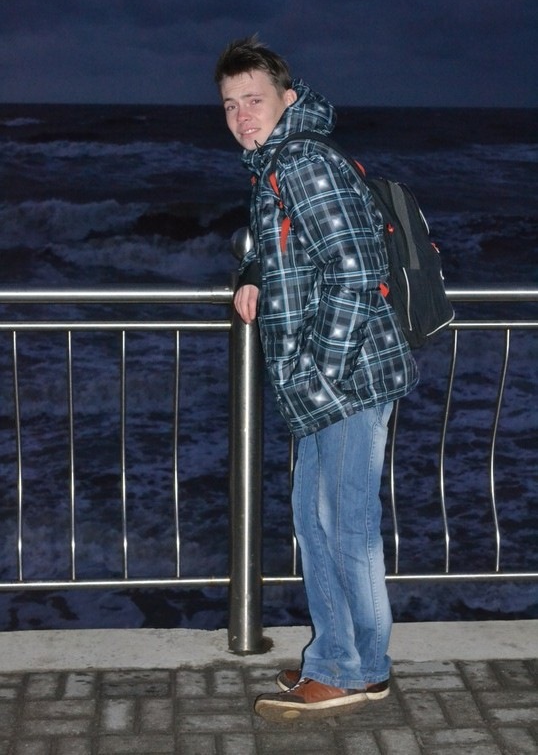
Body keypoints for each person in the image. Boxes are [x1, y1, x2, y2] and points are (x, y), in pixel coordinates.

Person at [215, 36, 419, 723]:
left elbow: (358, 272)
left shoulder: (301, 162)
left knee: (346, 525)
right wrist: (254, 273)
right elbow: (299, 248)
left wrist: (318, 373)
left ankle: (351, 669)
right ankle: (340, 654)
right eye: (230, 105)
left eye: (254, 100)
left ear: (288, 98)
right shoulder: (278, 162)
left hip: (345, 380)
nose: (242, 116)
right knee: (315, 517)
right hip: (332, 382)